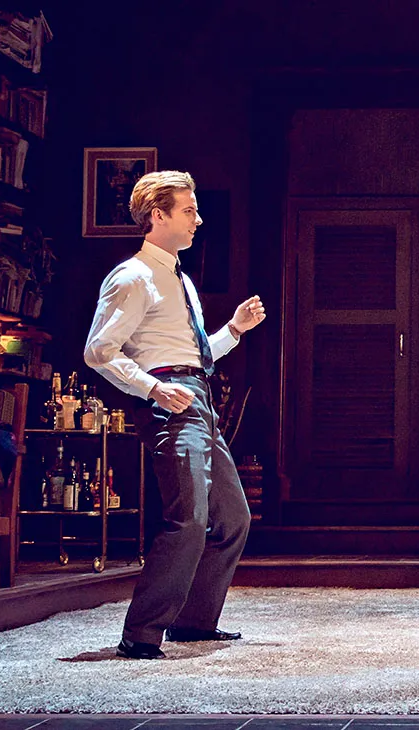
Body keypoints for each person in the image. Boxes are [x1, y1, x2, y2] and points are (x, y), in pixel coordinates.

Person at [84, 171, 267, 659]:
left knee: (233, 518)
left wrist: (234, 330)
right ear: (158, 215)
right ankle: (141, 634)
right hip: (170, 401)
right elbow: (98, 351)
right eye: (188, 210)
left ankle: (194, 622)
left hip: (197, 397)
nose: (198, 219)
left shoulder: (180, 279)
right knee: (188, 517)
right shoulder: (132, 277)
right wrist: (154, 389)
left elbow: (196, 355)